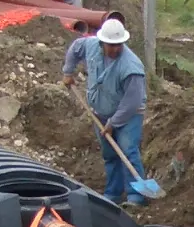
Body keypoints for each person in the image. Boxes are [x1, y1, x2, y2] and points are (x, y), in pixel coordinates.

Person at [62, 18, 146, 205]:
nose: (115, 49)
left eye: (118, 45)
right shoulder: (90, 46)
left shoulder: (131, 67)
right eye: (111, 45)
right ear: (102, 42)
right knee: (109, 153)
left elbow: (132, 102)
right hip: (100, 112)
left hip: (128, 115)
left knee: (128, 152)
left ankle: (136, 196)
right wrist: (68, 72)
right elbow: (76, 48)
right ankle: (113, 193)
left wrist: (113, 124)